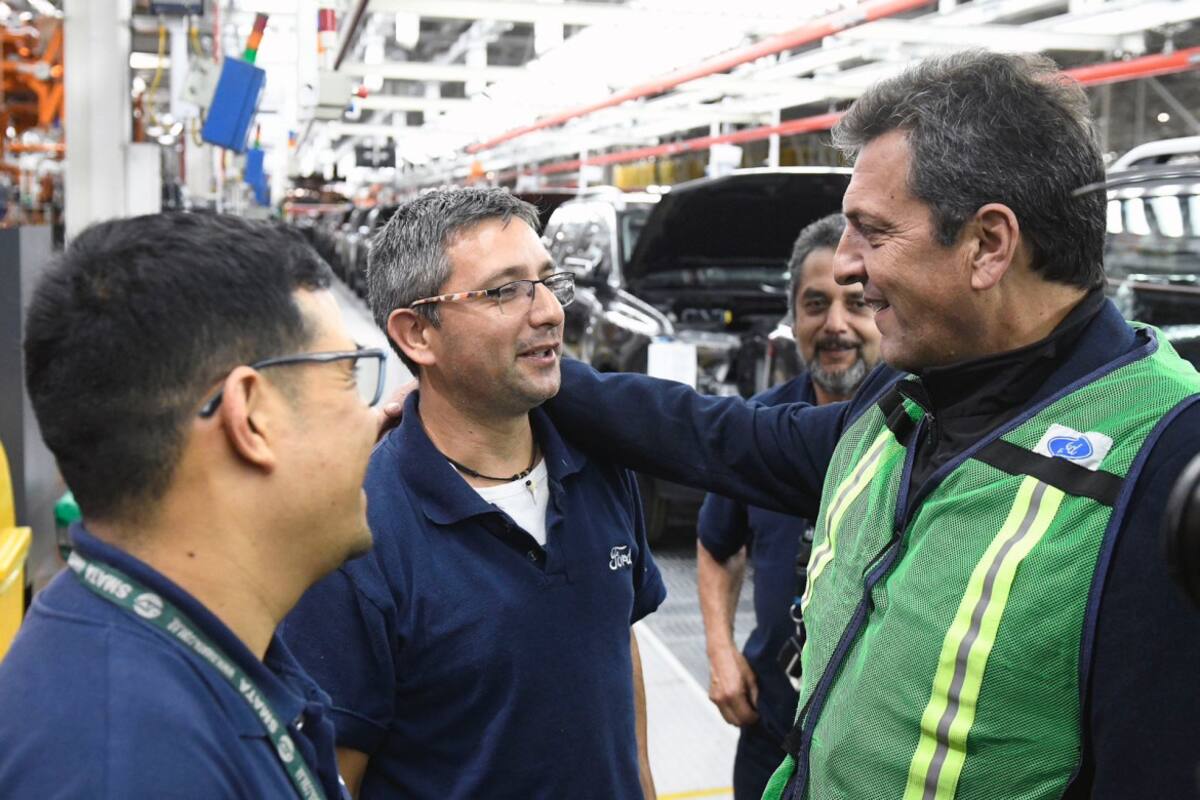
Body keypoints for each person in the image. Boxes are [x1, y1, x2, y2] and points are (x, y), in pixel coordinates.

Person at [541, 51, 1200, 799]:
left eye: (872, 233)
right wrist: (540, 377)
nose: (846, 266)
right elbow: (727, 439)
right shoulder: (911, 394)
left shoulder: (1166, 462)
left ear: (988, 244)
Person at [282, 187, 666, 800]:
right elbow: (334, 775)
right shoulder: (357, 534)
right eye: (504, 290)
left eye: (547, 281)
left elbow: (618, 648)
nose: (548, 313)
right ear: (417, 335)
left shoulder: (596, 469)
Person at [0, 212, 386, 798]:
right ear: (251, 416)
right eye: (349, 376)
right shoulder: (129, 766)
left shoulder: (181, 659)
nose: (373, 419)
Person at [698, 212, 881, 800]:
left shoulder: (921, 429)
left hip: (869, 748)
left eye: (855, 304)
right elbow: (716, 544)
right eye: (814, 304)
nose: (835, 325)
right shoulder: (761, 426)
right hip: (769, 728)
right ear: (792, 316)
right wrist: (721, 651)